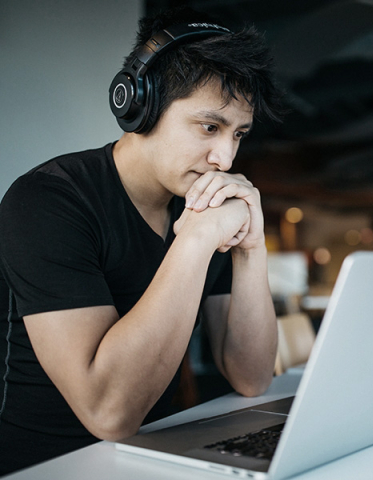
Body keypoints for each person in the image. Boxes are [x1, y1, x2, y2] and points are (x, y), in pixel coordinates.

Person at [0, 6, 284, 475]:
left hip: (150, 458)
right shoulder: (48, 201)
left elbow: (251, 378)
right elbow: (108, 413)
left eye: (239, 134)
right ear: (139, 105)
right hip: (43, 465)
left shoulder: (200, 203)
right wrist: (194, 242)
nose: (225, 156)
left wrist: (252, 249)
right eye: (210, 127)